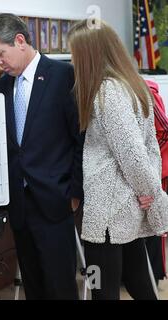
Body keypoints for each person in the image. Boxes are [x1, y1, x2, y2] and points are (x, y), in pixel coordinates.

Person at [0, 13, 83, 299]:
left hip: (56, 200)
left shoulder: (63, 76)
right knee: (33, 286)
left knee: (60, 287)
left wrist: (75, 192)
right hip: (20, 207)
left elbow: (81, 139)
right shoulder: (0, 86)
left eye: (1, 54)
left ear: (20, 40)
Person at [68, 19, 168, 300]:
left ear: (90, 54)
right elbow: (149, 147)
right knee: (139, 283)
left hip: (109, 212)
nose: (74, 61)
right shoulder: (133, 85)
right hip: (128, 207)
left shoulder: (107, 92)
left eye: (76, 54)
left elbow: (132, 152)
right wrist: (148, 191)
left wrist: (150, 193)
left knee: (102, 289)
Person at [145, 79, 168, 286]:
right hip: (140, 169)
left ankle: (155, 273)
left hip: (155, 170)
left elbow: (165, 131)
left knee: (155, 224)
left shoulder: (147, 92)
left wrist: (152, 161)